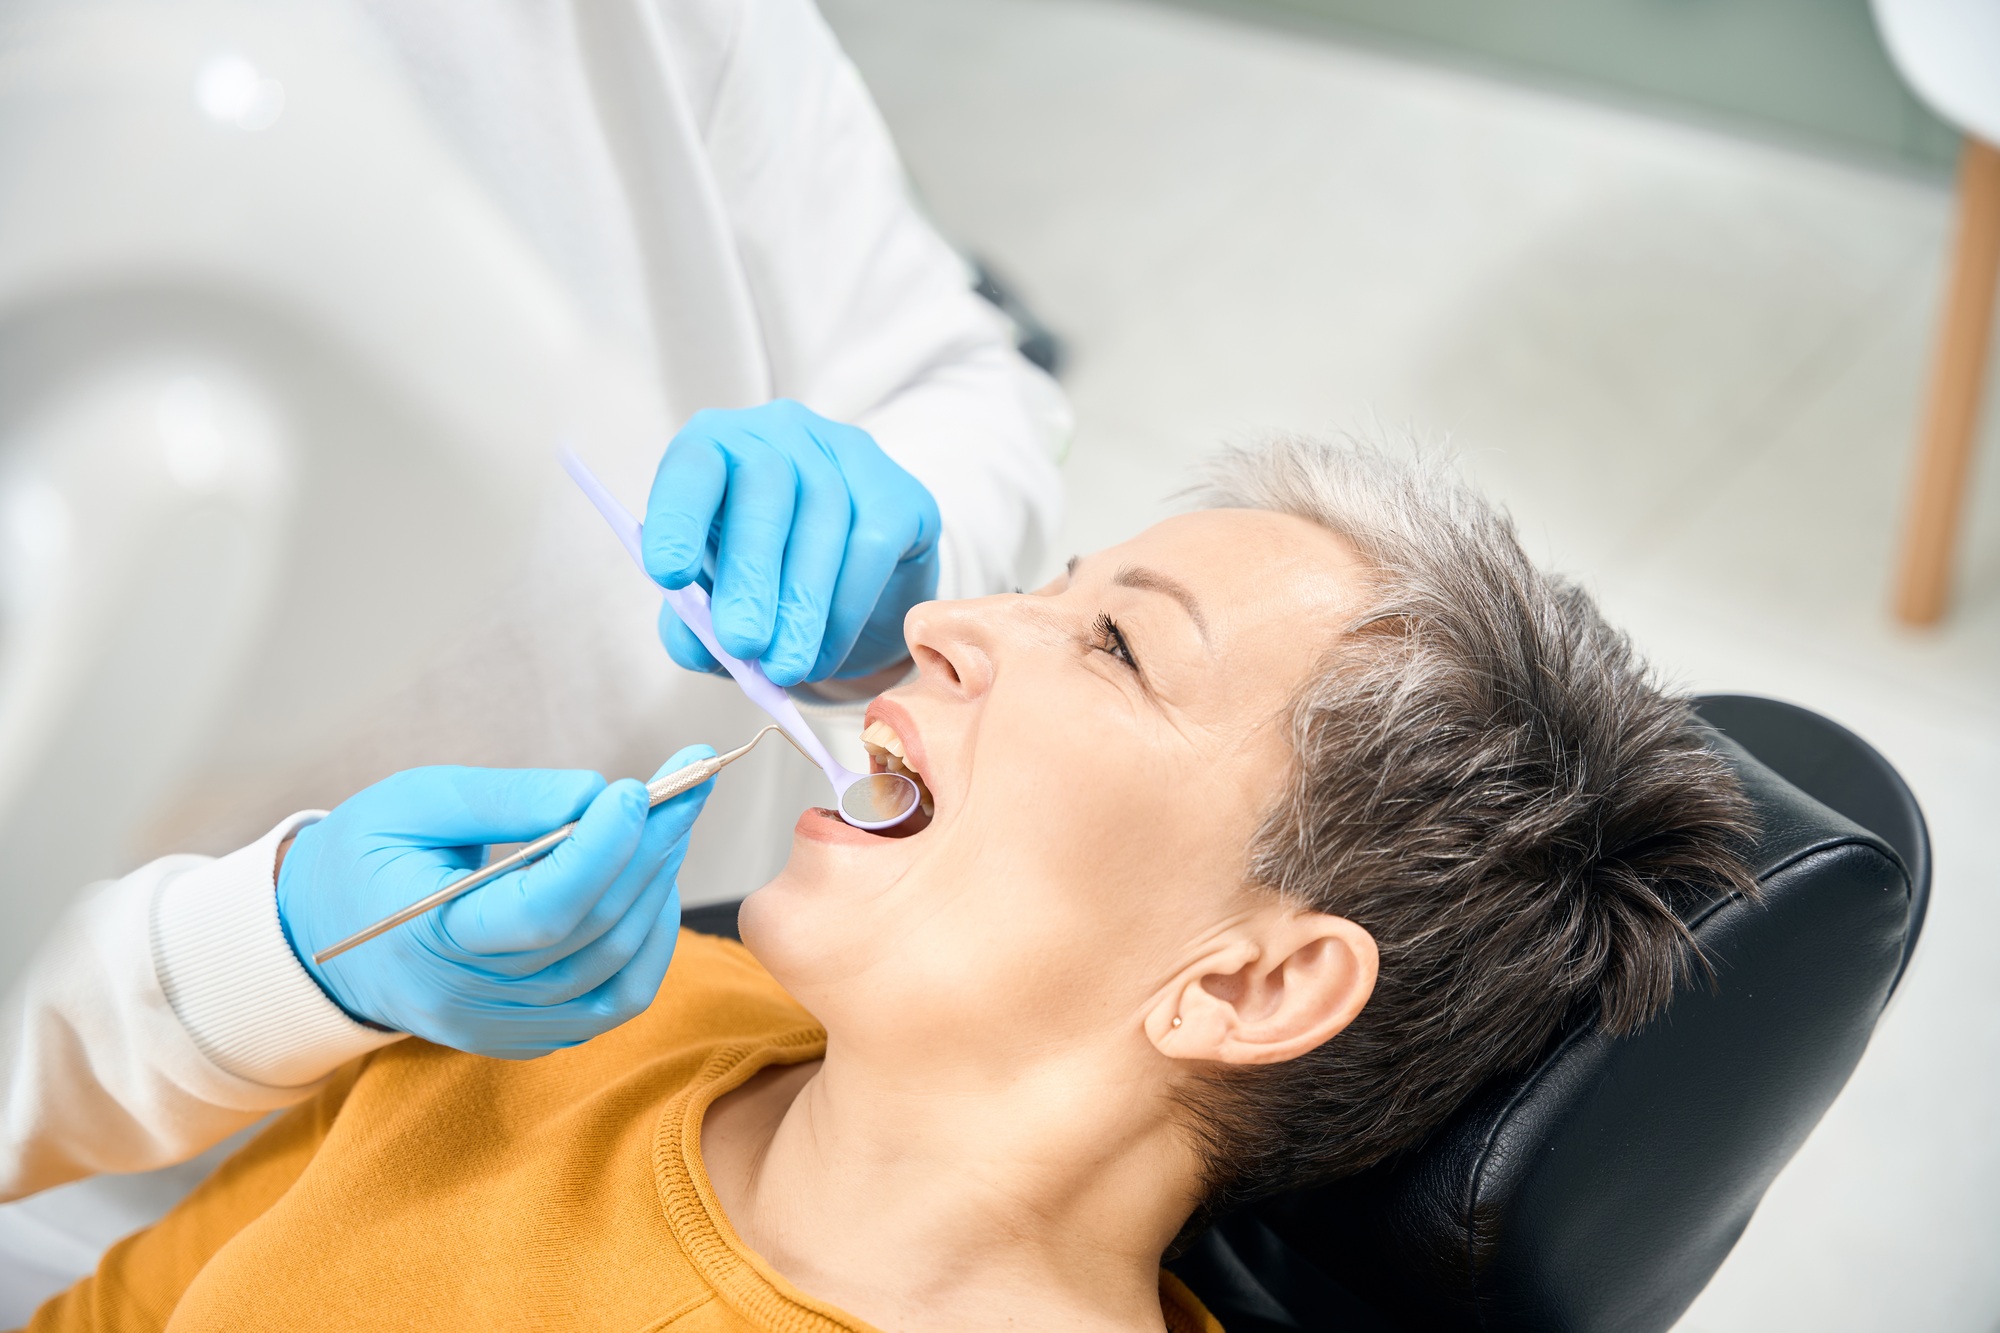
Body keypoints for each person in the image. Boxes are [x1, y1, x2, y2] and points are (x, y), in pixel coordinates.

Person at [8, 437, 1756, 1332]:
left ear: (1249, 980)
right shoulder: (611, 1012)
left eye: (1116, 643)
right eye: (1052, 581)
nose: (940, 617)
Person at [0, 0, 1062, 1201]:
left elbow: (953, 368)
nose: (990, 643)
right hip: (181, 1194)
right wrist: (260, 961)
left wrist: (912, 559)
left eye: (1115, 639)